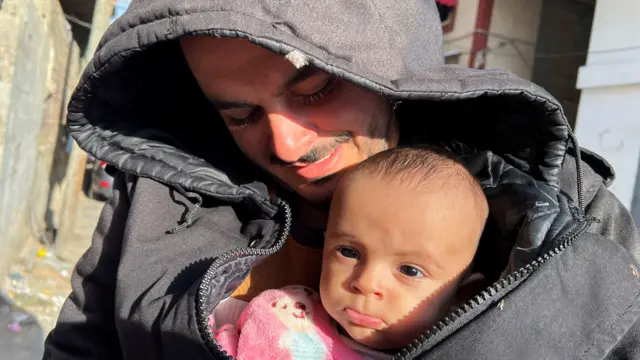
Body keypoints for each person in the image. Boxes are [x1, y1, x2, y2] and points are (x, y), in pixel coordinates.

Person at [43, 0, 640, 359]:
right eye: (240, 115)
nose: (286, 144)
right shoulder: (157, 199)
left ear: (390, 64)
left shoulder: (558, 203)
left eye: (316, 90)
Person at [211, 146, 488, 360]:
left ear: (461, 296)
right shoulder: (284, 311)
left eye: (409, 270)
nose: (365, 282)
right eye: (348, 251)